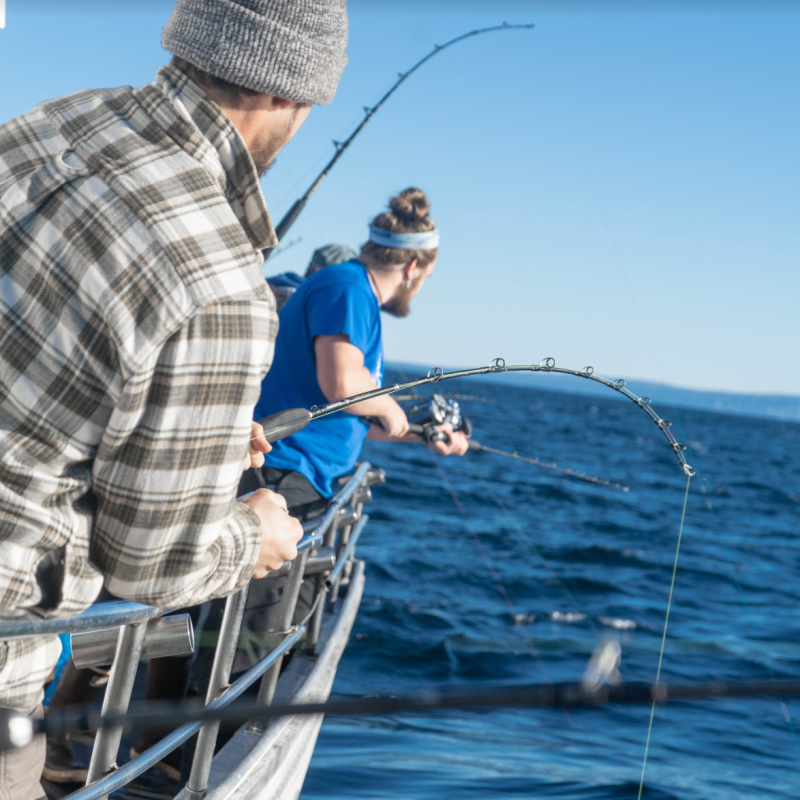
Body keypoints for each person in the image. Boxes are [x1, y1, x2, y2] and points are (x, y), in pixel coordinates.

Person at [0, 0, 348, 796]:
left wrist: (206, 436)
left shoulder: (50, 121)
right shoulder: (221, 279)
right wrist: (250, 534)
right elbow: (151, 560)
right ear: (289, 96)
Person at [226, 188, 468, 673]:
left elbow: (346, 412)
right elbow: (341, 383)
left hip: (300, 475)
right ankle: (199, 744)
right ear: (413, 268)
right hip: (283, 476)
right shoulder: (348, 288)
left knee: (250, 627)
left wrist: (420, 433)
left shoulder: (352, 296)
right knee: (255, 635)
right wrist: (393, 406)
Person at [267, 243, 357, 312]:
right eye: (315, 258)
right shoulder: (286, 279)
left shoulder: (318, 304)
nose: (313, 264)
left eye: (322, 262)